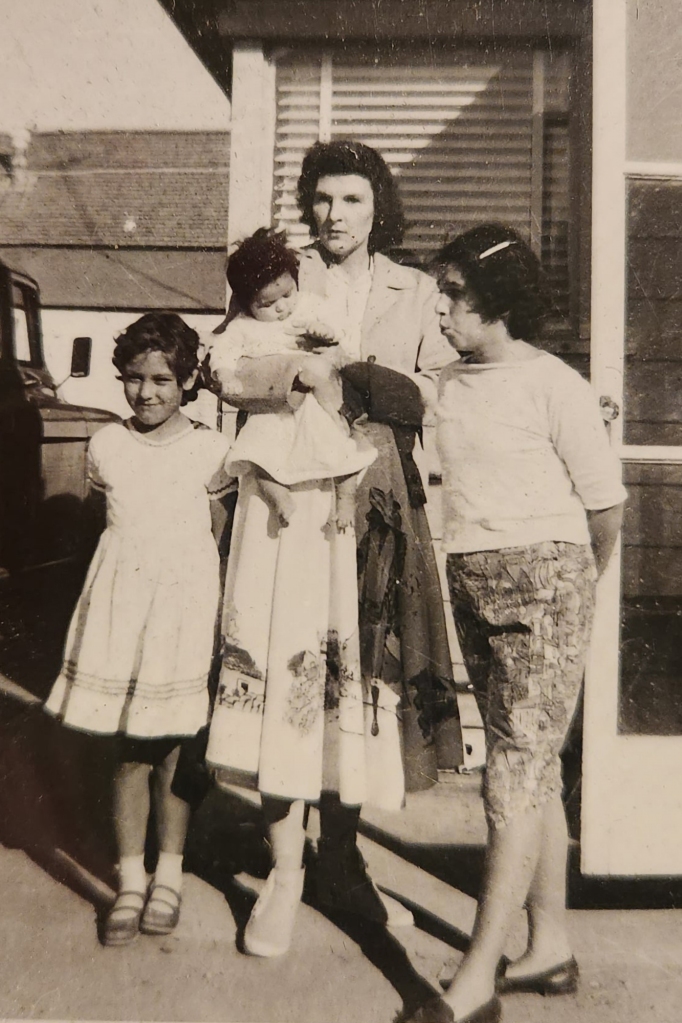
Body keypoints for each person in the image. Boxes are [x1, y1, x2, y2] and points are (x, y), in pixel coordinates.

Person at [206, 139, 460, 957]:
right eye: (321, 198)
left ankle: (343, 861)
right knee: (289, 666)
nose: (334, 215)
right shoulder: (281, 276)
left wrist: (356, 379)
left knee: (359, 674)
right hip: (287, 501)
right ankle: (285, 867)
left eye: (351, 199)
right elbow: (222, 366)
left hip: (376, 497)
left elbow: (436, 390)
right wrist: (294, 375)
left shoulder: (414, 290)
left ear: (378, 206)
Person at [403, 225, 626, 1023]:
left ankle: (475, 979)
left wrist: (568, 590)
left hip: (549, 587)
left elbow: (605, 508)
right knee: (524, 764)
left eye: (455, 293)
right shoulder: (448, 383)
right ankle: (551, 944)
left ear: (498, 302)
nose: (442, 307)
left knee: (511, 774)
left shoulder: (554, 384)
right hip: (471, 578)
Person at [44, 313, 233, 947]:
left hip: (183, 610)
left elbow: (217, 538)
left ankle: (170, 875)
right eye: (133, 379)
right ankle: (129, 878)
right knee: (128, 750)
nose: (146, 393)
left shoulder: (211, 450)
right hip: (124, 608)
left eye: (161, 380)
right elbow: (101, 524)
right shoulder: (107, 446)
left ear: (186, 382)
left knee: (177, 747)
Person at [209, 228, 376, 530]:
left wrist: (324, 330)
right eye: (268, 304)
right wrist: (226, 373)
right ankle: (278, 495)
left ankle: (345, 497)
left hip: (316, 406)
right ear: (247, 304)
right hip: (273, 410)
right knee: (257, 449)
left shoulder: (308, 305)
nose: (282, 307)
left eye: (287, 294)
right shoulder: (244, 327)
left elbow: (338, 333)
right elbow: (222, 352)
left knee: (340, 444)